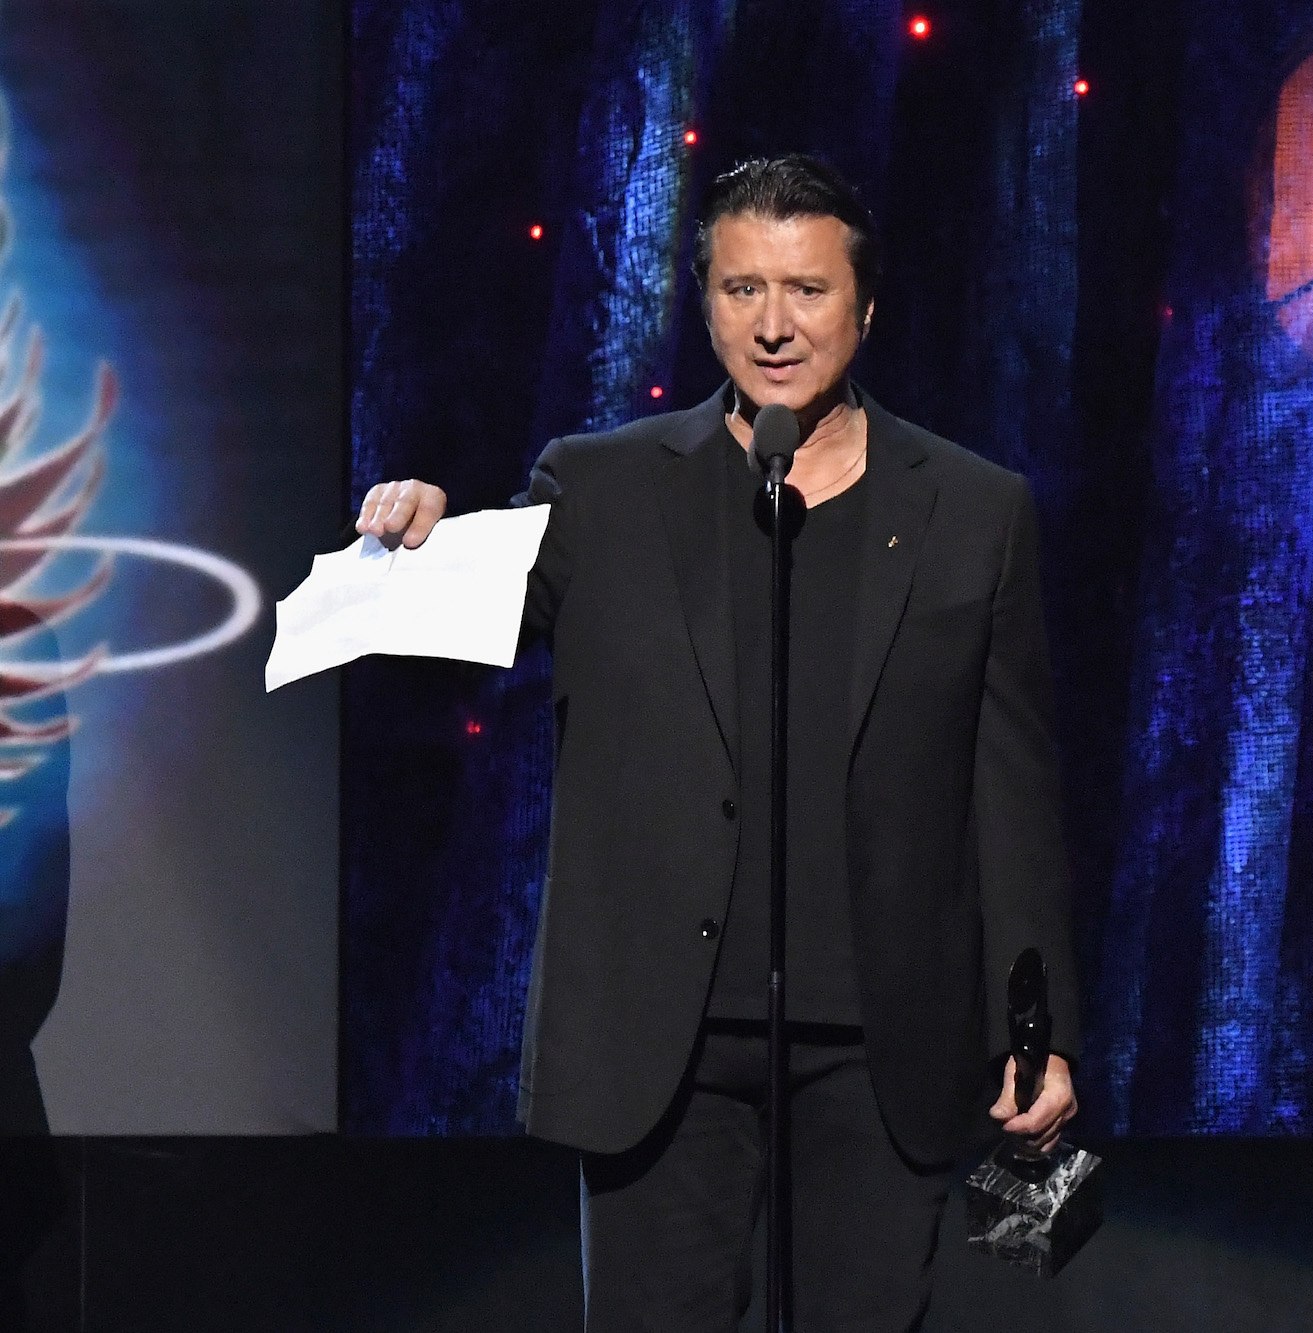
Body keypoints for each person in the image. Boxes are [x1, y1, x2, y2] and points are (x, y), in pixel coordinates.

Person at [356, 154, 1081, 1331]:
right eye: (742, 290)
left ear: (865, 307)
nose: (774, 325)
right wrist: (413, 540)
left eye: (805, 290)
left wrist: (1038, 1037)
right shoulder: (597, 488)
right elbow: (453, 631)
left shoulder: (972, 509)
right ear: (703, 305)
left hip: (881, 1046)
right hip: (662, 1050)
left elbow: (1011, 801)